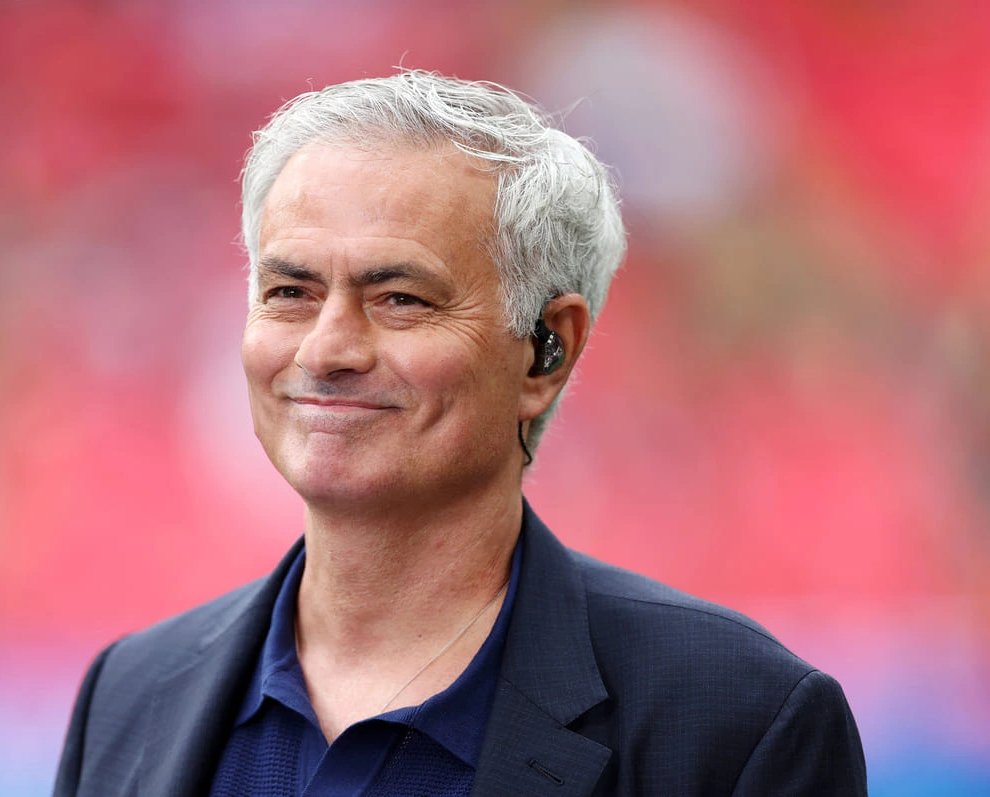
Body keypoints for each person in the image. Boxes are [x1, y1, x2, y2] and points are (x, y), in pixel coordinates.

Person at [53, 71, 867, 796]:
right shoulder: (131, 696)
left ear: (547, 350)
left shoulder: (735, 724)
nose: (326, 348)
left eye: (401, 298)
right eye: (290, 291)